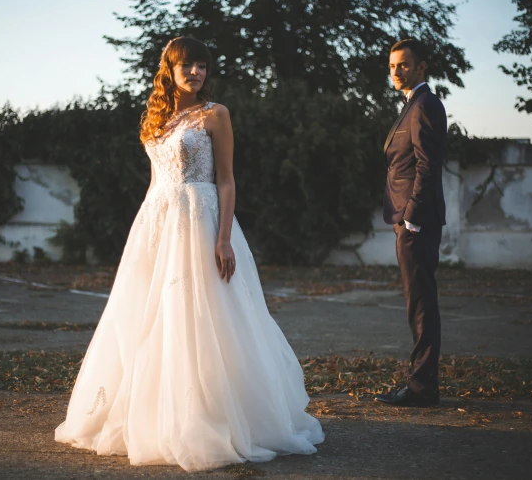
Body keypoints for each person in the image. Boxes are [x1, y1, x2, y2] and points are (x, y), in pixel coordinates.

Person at [55, 36, 324, 471]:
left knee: (205, 316)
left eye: (202, 65)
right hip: (158, 223)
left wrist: (222, 239)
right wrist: (145, 232)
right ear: (170, 69)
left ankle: (213, 415)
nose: (196, 72)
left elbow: (226, 180)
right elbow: (154, 182)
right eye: (187, 65)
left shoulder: (215, 115)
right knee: (150, 320)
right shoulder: (156, 120)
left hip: (201, 221)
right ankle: (155, 415)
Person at [375, 38, 447, 407]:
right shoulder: (412, 106)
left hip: (415, 221)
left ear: (421, 67)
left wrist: (413, 219)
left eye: (403, 65)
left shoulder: (425, 105)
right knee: (416, 301)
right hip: (407, 220)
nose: (396, 71)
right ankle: (423, 384)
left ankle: (422, 388)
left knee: (420, 303)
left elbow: (427, 166)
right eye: (392, 66)